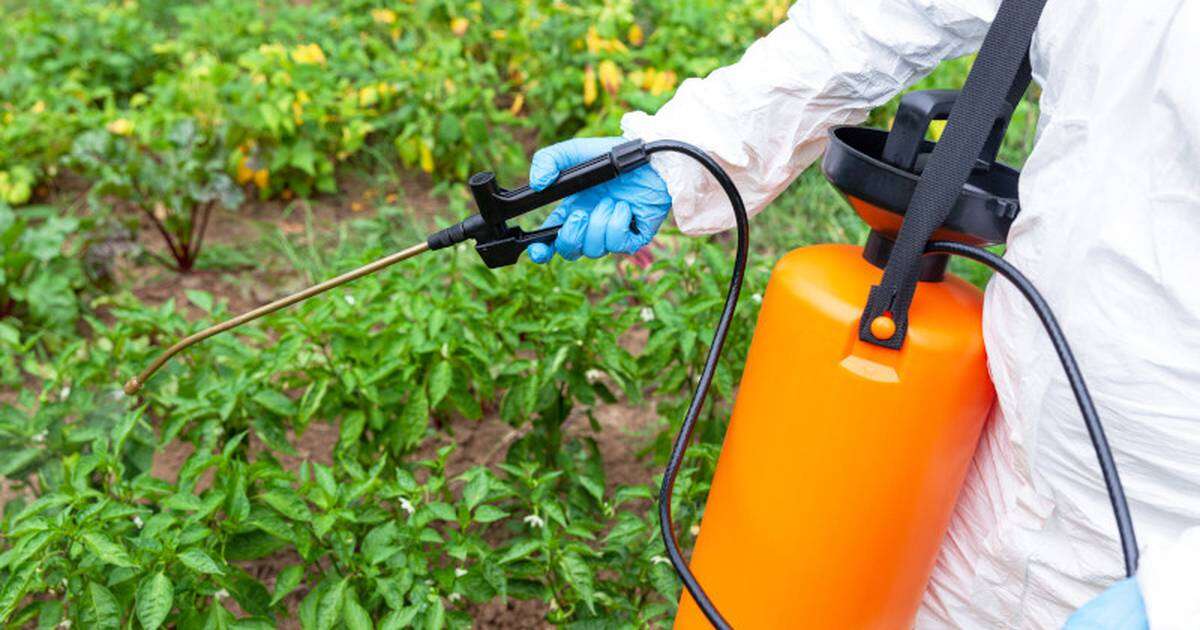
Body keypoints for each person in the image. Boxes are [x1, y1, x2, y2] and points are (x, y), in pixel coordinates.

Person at [526, 0, 1200, 628]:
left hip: (1158, 533)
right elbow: (885, 14)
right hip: (990, 474)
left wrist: (1172, 597)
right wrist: (683, 151)